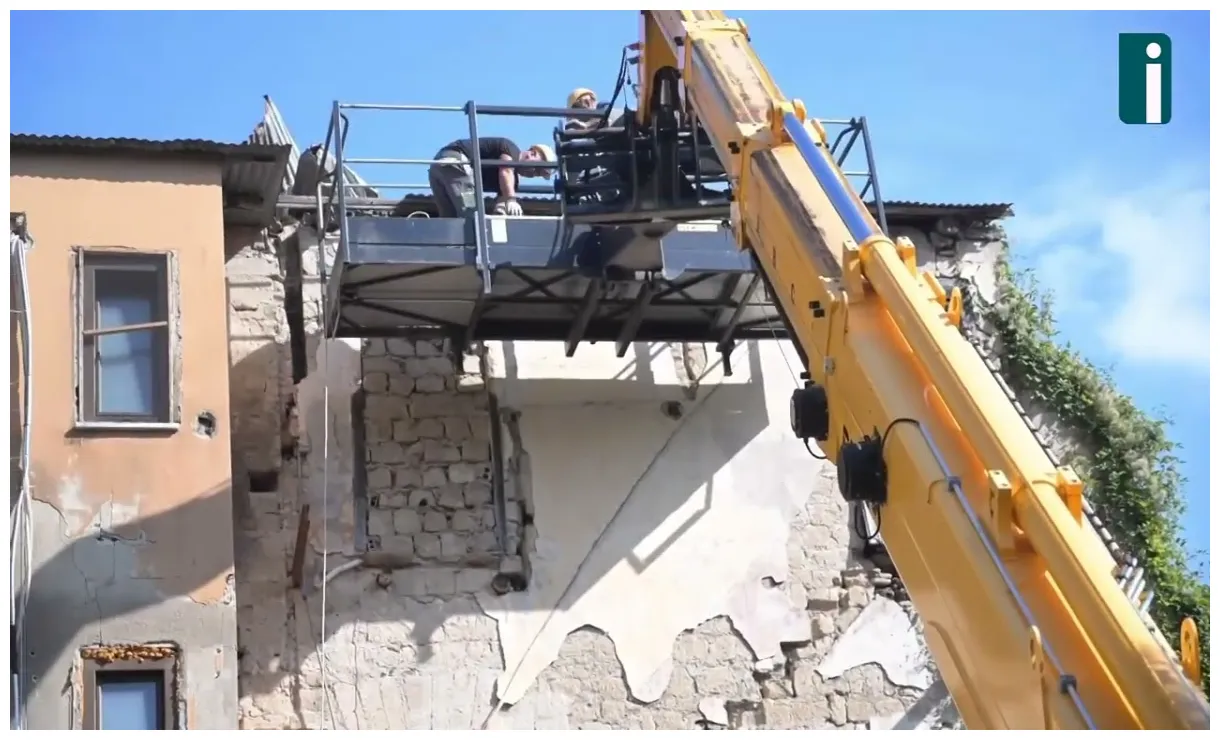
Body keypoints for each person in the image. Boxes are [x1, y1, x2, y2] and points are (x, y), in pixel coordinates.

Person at [427, 137, 554, 217]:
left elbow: (500, 207)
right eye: (537, 169)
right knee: (472, 215)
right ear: (532, 153)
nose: (533, 174)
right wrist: (511, 199)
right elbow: (506, 170)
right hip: (456, 162)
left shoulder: (511, 184)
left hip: (439, 166)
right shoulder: (511, 149)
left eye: (537, 174)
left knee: (449, 218)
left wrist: (503, 211)